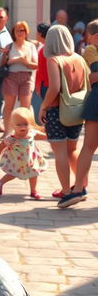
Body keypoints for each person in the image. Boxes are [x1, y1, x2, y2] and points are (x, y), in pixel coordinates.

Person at [38, 24, 90, 208]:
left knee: (59, 152)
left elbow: (54, 88)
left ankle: (67, 192)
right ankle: (81, 185)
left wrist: (43, 107)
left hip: (56, 110)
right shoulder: (79, 58)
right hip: (76, 110)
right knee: (72, 150)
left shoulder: (54, 60)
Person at [61, 19, 98, 208]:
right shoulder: (91, 50)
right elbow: (91, 77)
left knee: (87, 147)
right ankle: (78, 189)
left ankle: (78, 189)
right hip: (96, 100)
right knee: (88, 147)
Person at [0, 107, 48, 200]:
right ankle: (0, 182)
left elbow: (44, 136)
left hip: (31, 161)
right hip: (16, 162)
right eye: (18, 124)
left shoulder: (31, 133)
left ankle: (34, 191)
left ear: (31, 124)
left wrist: (50, 136)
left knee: (34, 174)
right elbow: (2, 145)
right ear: (12, 126)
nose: (22, 127)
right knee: (12, 174)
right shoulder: (12, 138)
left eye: (26, 124)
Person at [0, 21, 38, 133]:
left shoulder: (31, 46)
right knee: (9, 106)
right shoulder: (10, 46)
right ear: (14, 32)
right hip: (11, 77)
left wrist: (25, 62)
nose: (20, 33)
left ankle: (25, 132)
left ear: (26, 32)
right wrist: (14, 58)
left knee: (25, 107)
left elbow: (35, 65)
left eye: (23, 30)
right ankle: (7, 131)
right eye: (18, 30)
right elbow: (3, 63)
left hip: (27, 77)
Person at [32, 22, 50, 126]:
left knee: (39, 112)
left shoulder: (43, 49)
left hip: (43, 85)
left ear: (40, 34)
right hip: (48, 84)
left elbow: (41, 71)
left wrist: (38, 87)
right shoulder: (49, 47)